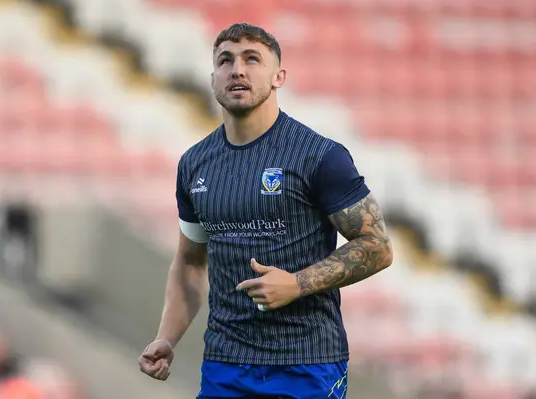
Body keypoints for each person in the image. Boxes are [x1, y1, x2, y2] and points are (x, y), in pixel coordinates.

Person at [138, 22, 394, 399]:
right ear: (213, 79)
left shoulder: (320, 156)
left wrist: (297, 284)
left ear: (279, 77)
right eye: (225, 60)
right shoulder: (195, 164)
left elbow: (377, 246)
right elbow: (191, 262)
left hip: (307, 364)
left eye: (251, 59)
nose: (237, 69)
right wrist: (167, 337)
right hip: (225, 365)